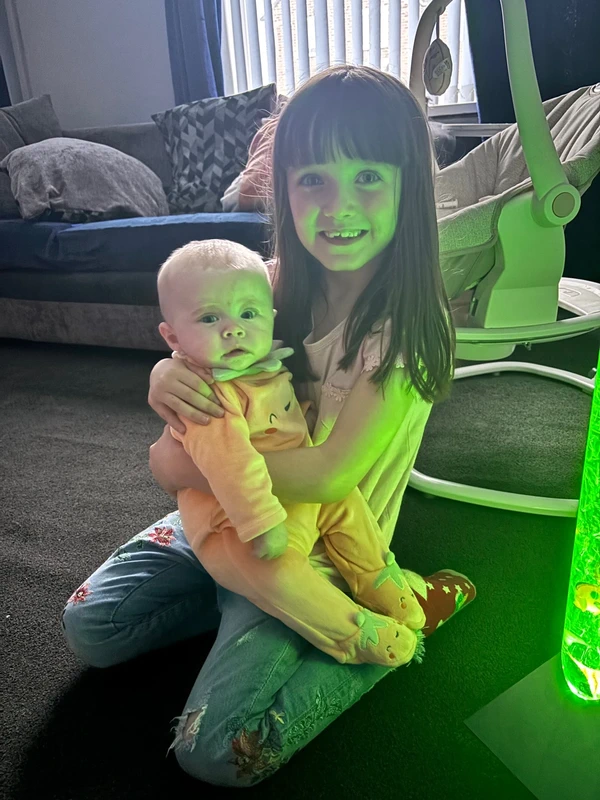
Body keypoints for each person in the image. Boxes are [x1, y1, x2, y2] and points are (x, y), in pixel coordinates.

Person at [61, 64, 476, 788]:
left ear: (409, 186)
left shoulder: (405, 329)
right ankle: (236, 605)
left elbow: (328, 475)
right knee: (90, 628)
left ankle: (406, 625)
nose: (338, 208)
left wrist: (198, 463)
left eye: (367, 178)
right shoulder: (264, 284)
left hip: (324, 548)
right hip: (224, 525)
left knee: (216, 753)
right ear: (283, 187)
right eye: (313, 179)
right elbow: (171, 426)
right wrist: (163, 377)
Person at [155, 237, 427, 669]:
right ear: (174, 337)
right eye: (210, 318)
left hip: (307, 492)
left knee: (347, 506)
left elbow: (326, 476)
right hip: (241, 524)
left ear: (270, 315)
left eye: (248, 315)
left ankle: (379, 577)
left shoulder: (263, 357)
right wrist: (165, 369)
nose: (233, 329)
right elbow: (226, 465)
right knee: (275, 575)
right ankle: (354, 633)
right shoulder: (210, 392)